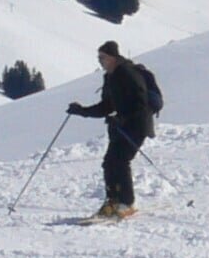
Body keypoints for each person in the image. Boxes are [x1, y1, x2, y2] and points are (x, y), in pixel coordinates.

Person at [66, 39, 160, 219]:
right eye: (99, 57)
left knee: (119, 161)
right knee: (111, 162)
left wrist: (121, 118)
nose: (100, 61)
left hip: (137, 126)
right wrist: (82, 111)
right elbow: (107, 106)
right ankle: (113, 202)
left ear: (113, 57)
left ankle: (125, 203)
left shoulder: (127, 74)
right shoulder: (110, 77)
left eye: (103, 57)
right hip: (122, 127)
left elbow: (140, 104)